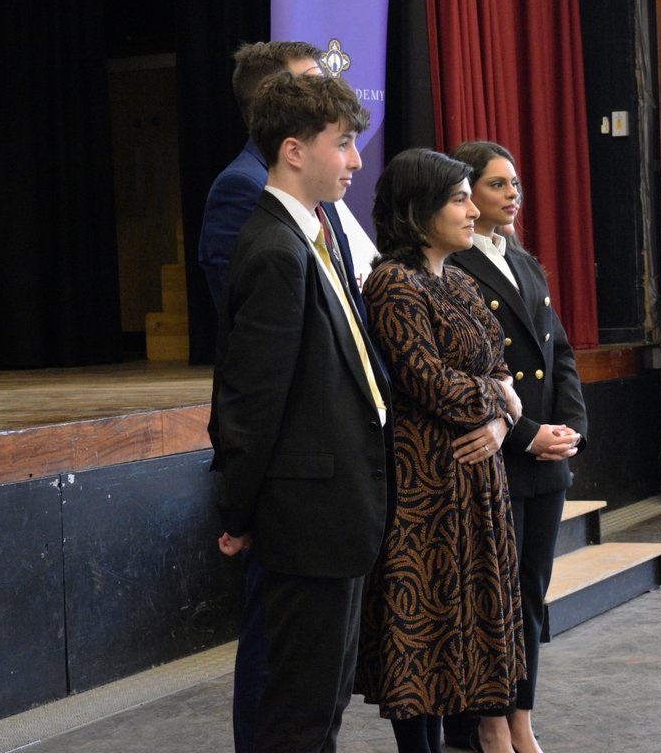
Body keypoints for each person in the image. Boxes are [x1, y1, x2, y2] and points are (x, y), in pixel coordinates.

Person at [198, 40, 379, 753]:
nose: (357, 161)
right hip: (304, 509)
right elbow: (254, 392)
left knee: (317, 709)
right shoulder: (271, 239)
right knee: (293, 715)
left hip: (336, 507)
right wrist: (240, 510)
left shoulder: (308, 230)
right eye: (345, 143)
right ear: (295, 149)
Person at [354, 148, 525, 753]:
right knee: (421, 634)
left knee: (463, 634)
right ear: (418, 210)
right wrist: (498, 398)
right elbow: (427, 382)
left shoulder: (455, 278)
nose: (472, 209)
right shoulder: (393, 283)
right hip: (425, 487)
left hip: (477, 482)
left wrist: (502, 420)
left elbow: (500, 366)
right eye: (458, 198)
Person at [445, 141, 588, 753]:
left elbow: (560, 355)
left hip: (544, 459)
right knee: (491, 601)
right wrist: (530, 434)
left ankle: (521, 715)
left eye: (516, 185)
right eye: (499, 185)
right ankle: (489, 722)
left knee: (528, 594)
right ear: (467, 195)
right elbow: (476, 372)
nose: (513, 196)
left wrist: (571, 430)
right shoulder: (452, 269)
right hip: (499, 456)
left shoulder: (525, 263)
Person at [198, 40, 376, 314]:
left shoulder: (317, 180)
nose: (324, 94)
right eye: (310, 85)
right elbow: (256, 316)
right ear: (272, 96)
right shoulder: (240, 187)